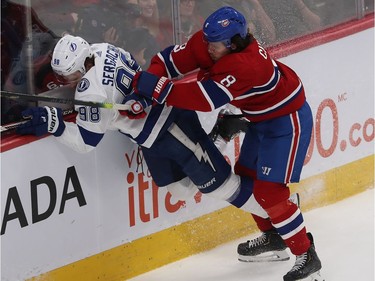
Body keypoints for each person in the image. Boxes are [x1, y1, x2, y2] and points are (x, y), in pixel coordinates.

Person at [130, 6, 324, 281]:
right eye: (207, 40)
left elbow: (202, 99)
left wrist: (154, 88)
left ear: (234, 43)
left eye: (216, 44)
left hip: (286, 121)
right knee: (246, 178)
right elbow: (166, 60)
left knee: (269, 191)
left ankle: (306, 255)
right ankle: (273, 236)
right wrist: (151, 81)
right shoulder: (209, 42)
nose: (208, 48)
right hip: (261, 119)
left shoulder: (245, 65)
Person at [16, 35, 281, 232]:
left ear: (82, 62)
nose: (66, 82)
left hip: (172, 128)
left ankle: (281, 218)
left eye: (69, 74)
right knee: (179, 191)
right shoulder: (102, 48)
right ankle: (223, 132)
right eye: (62, 76)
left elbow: (86, 143)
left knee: (222, 187)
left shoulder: (90, 91)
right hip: (152, 136)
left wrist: (56, 125)